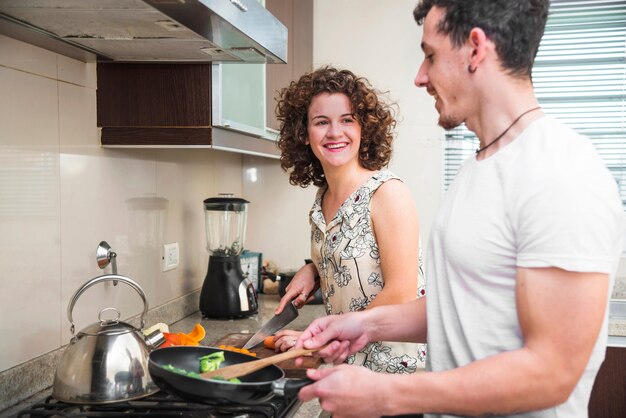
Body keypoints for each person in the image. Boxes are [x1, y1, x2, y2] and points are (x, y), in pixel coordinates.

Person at [292, 1, 625, 418]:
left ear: (475, 48)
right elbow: (462, 310)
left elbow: (553, 372)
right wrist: (364, 325)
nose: (420, 76)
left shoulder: (560, 171)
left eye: (429, 55)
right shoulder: (477, 169)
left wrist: (388, 395)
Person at [272, 66, 427, 373]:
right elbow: (357, 257)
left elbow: (401, 292)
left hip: (397, 371)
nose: (334, 132)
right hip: (347, 368)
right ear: (304, 134)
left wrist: (315, 337)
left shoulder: (387, 193)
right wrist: (313, 268)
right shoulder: (322, 201)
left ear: (363, 129)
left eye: (347, 120)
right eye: (321, 122)